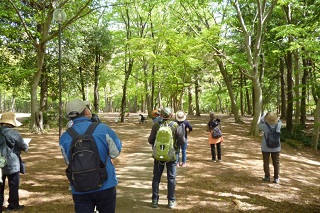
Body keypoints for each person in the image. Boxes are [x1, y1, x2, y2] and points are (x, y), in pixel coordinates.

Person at [59, 99, 122, 213]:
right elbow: (115, 152)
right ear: (87, 112)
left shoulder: (64, 137)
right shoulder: (103, 128)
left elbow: (69, 161)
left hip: (80, 186)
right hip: (105, 183)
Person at [148, 107, 184, 209]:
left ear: (161, 115)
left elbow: (150, 140)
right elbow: (182, 141)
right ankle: (171, 201)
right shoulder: (176, 126)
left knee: (156, 178)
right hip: (172, 156)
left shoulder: (156, 125)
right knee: (171, 178)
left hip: (158, 156)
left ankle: (155, 200)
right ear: (171, 115)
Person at [0, 112, 28, 211]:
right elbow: (23, 146)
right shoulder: (14, 133)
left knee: (0, 183)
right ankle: (13, 205)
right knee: (13, 185)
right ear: (12, 123)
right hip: (11, 162)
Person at [258, 112, 282, 184]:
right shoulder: (279, 125)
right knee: (276, 162)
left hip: (265, 147)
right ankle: (276, 178)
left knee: (266, 162)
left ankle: (267, 177)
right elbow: (280, 121)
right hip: (276, 147)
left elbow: (259, 125)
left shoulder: (264, 126)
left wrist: (263, 117)